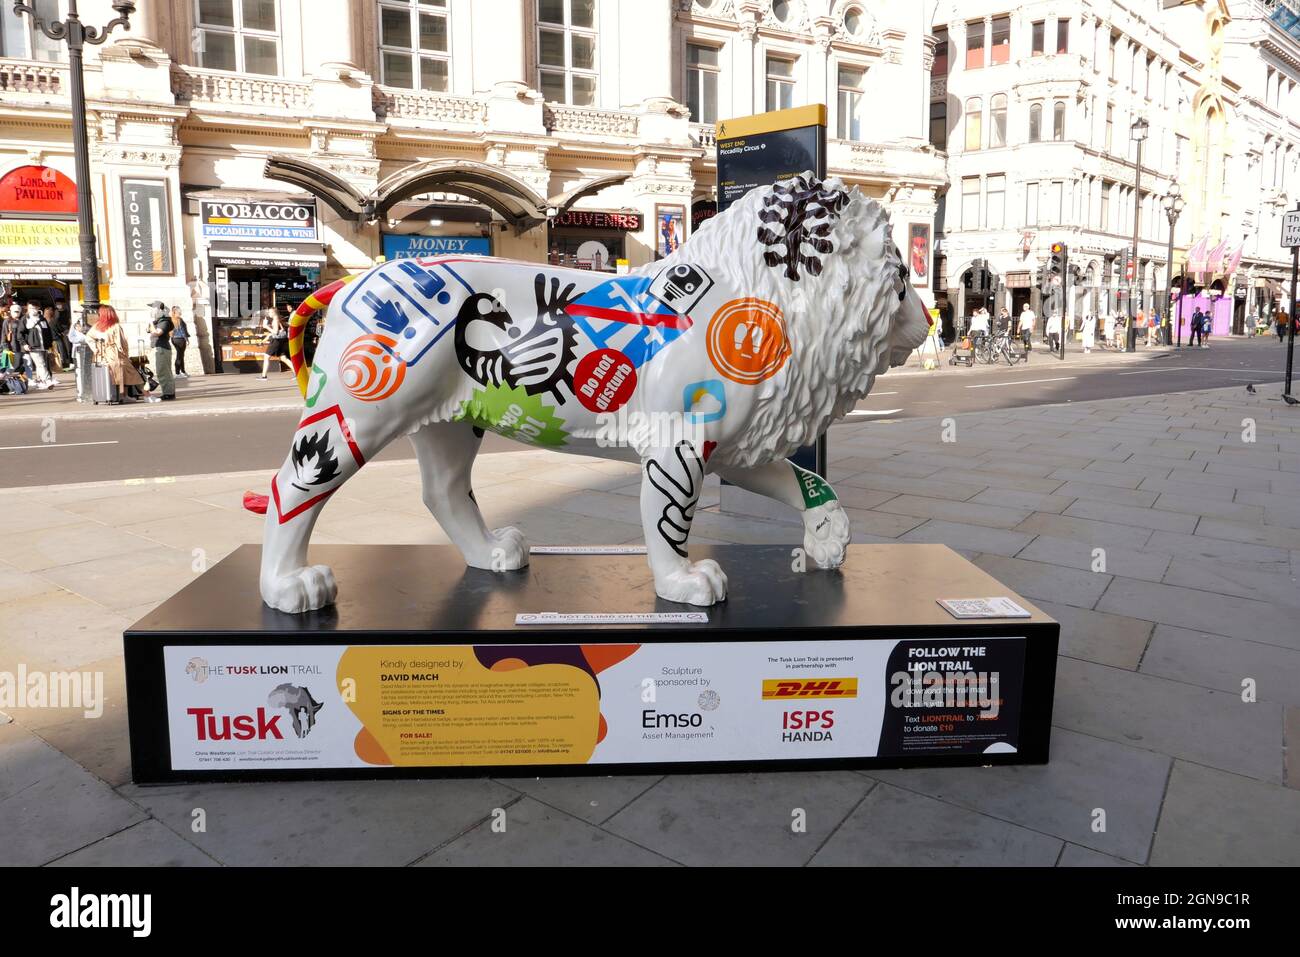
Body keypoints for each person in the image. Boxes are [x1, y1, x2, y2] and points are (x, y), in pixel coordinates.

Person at [87, 305, 144, 402]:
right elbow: (121, 343)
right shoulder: (116, 326)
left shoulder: (96, 326)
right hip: (114, 354)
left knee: (112, 374)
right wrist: (125, 354)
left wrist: (96, 349)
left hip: (101, 356)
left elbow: (88, 337)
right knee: (129, 372)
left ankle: (111, 395)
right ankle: (126, 395)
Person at [146, 301, 176, 400]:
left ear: (159, 309)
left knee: (164, 371)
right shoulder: (158, 321)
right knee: (161, 371)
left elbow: (157, 333)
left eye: (153, 308)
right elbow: (149, 330)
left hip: (162, 348)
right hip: (159, 348)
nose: (151, 311)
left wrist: (151, 322)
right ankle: (167, 392)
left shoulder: (164, 321)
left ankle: (169, 393)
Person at [23, 301, 56, 389]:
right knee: (41, 364)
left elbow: (48, 332)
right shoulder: (25, 319)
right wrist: (24, 344)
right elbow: (20, 333)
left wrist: (50, 344)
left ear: (38, 308)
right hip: (33, 346)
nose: (32, 310)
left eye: (34, 308)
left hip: (44, 346)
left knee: (41, 364)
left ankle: (40, 381)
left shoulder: (42, 319)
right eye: (30, 308)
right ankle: (48, 380)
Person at [259, 307, 292, 379]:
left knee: (266, 356)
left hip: (276, 341)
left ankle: (264, 376)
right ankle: (297, 373)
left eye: (270, 312)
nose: (269, 314)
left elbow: (275, 332)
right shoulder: (279, 318)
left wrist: (266, 326)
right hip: (281, 340)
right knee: (283, 358)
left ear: (274, 313)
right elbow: (286, 325)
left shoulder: (275, 320)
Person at [68, 317, 93, 402]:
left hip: (90, 351)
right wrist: (84, 339)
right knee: (79, 373)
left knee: (88, 373)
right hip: (78, 351)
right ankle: (80, 393)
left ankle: (88, 392)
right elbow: (71, 338)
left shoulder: (91, 324)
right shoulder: (75, 324)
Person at [170, 305, 190, 377]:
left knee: (180, 355)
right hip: (181, 339)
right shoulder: (179, 320)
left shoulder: (171, 319)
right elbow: (182, 331)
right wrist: (186, 339)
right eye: (180, 311)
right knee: (180, 356)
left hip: (174, 339)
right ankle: (178, 373)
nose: (181, 313)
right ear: (177, 312)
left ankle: (182, 372)